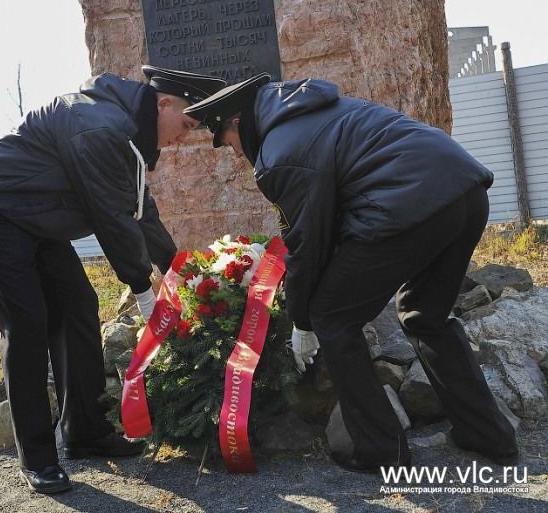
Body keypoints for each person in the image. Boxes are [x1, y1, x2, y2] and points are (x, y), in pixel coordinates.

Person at [184, 73, 518, 473]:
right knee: (424, 314)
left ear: (238, 121)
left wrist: (303, 321)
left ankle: (381, 449)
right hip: (465, 191)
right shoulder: (315, 109)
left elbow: (308, 243)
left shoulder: (279, 154)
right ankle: (488, 434)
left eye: (228, 142)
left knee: (333, 317)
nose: (235, 152)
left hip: (410, 205)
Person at [0, 66, 226, 494]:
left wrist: (179, 270)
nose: (183, 138)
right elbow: (111, 218)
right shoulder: (101, 129)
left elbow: (140, 212)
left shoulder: (125, 135)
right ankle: (38, 458)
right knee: (27, 323)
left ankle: (84, 431)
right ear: (164, 104)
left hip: (35, 216)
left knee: (79, 305)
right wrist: (143, 289)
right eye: (187, 125)